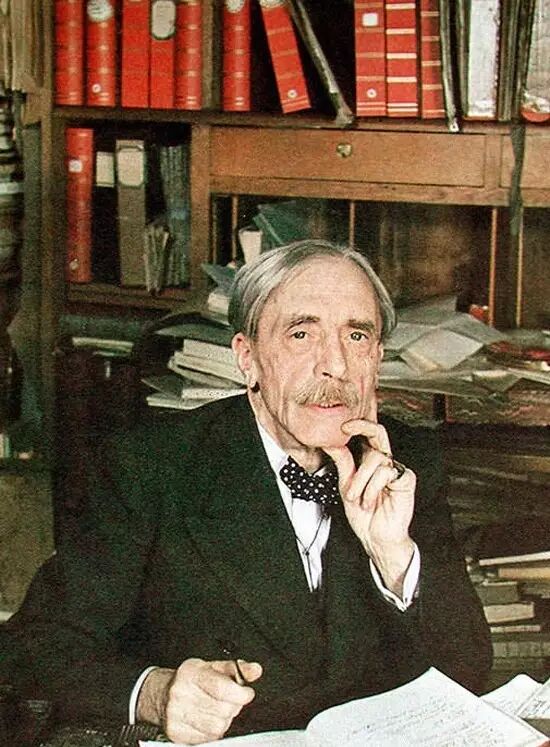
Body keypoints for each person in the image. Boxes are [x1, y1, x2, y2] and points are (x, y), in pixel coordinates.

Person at [0, 240, 492, 744]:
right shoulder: (151, 465)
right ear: (248, 358)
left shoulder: (406, 463)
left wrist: (394, 556)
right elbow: (33, 645)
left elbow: (468, 672)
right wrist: (156, 693)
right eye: (302, 334)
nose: (336, 365)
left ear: (378, 359)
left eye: (356, 336)